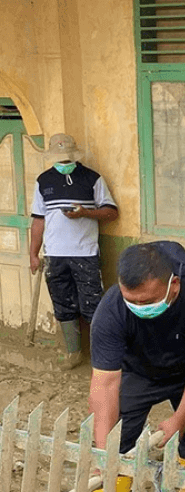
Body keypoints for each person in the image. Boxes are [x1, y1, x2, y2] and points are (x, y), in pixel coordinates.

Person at [88, 241, 185, 492]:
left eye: (146, 301)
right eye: (132, 301)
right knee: (116, 437)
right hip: (138, 373)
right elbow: (105, 383)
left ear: (173, 285)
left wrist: (179, 419)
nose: (139, 307)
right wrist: (104, 454)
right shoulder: (112, 309)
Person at [29, 133, 119, 369]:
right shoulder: (43, 181)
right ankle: (73, 353)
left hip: (85, 253)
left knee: (93, 304)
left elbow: (111, 212)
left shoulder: (92, 179)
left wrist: (85, 213)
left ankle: (101, 356)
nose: (64, 162)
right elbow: (38, 220)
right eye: (60, 158)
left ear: (74, 157)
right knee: (63, 303)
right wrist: (33, 254)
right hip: (54, 255)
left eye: (67, 158)